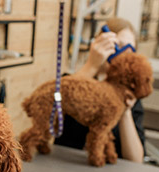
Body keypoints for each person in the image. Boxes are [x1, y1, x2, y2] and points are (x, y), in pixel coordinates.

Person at [54, 17, 146, 163]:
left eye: (130, 50)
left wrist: (125, 112)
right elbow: (50, 111)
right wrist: (91, 65)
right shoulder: (72, 81)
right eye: (119, 46)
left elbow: (135, 160)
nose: (124, 55)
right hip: (63, 165)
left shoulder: (131, 96)